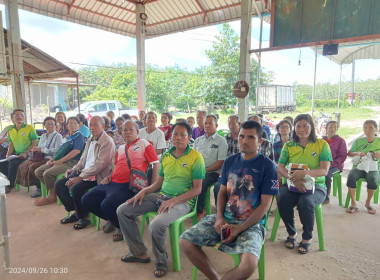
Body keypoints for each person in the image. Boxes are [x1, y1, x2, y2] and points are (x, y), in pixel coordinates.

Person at [180, 120, 279, 280]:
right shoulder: (230, 161)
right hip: (225, 219)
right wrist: (219, 216)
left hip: (252, 224)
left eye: (250, 137)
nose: (244, 141)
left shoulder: (268, 167)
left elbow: (265, 205)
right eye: (241, 136)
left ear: (260, 141)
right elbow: (222, 193)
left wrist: (240, 228)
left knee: (249, 265)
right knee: (185, 242)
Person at [116, 122, 204, 278]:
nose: (178, 138)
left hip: (183, 202)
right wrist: (144, 191)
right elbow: (159, 183)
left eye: (182, 135)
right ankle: (139, 252)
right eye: (175, 134)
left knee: (157, 223)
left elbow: (197, 189)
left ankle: (161, 261)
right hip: (161, 196)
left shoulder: (196, 157)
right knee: (123, 210)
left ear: (189, 138)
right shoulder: (166, 156)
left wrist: (174, 201)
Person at [82, 120, 160, 241]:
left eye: (131, 130)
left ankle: (119, 225)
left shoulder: (144, 143)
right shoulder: (121, 148)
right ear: (121, 132)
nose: (128, 132)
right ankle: (113, 220)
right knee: (87, 199)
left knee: (107, 204)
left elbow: (156, 164)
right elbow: (118, 165)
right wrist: (109, 176)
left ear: (137, 131)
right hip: (112, 182)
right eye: (125, 130)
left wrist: (152, 187)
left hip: (129, 184)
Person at [277, 114, 332, 254]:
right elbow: (280, 166)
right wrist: (292, 178)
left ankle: (307, 237)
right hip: (292, 183)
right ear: (294, 128)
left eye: (305, 126)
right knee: (282, 198)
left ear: (312, 127)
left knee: (305, 201)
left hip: (317, 186)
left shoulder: (322, 145)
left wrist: (305, 174)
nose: (302, 129)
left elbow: (324, 170)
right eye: (298, 126)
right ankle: (292, 232)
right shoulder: (289, 145)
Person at [55, 116, 116, 229]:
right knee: (59, 184)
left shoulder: (107, 142)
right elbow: (83, 160)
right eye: (90, 125)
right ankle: (78, 211)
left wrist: (80, 177)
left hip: (98, 175)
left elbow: (100, 165)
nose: (92, 128)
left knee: (76, 187)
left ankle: (83, 217)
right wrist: (74, 169)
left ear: (103, 126)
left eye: (95, 125)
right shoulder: (90, 139)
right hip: (86, 172)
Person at [34, 117, 86, 206]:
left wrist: (59, 161)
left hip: (73, 162)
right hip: (61, 160)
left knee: (48, 173)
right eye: (70, 123)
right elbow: (60, 150)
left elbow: (76, 151)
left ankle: (51, 196)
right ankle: (54, 191)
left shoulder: (79, 136)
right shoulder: (67, 137)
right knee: (38, 171)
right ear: (67, 125)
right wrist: (52, 159)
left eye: (74, 123)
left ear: (79, 125)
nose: (72, 125)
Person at [15, 116, 62, 198]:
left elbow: (57, 150)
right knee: (24, 165)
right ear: (44, 125)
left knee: (34, 167)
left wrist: (42, 150)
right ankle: (28, 183)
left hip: (50, 158)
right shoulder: (43, 136)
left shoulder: (58, 136)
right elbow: (39, 146)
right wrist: (35, 149)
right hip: (40, 157)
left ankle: (39, 188)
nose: (50, 126)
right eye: (47, 124)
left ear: (55, 126)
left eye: (52, 124)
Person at [194, 115, 228, 218]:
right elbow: (193, 158)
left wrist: (205, 170)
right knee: (184, 180)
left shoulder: (221, 141)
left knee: (201, 182)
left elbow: (221, 162)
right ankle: (190, 206)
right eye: (205, 123)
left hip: (214, 172)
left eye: (210, 123)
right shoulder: (198, 140)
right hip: (199, 170)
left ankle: (200, 210)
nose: (207, 126)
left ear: (216, 125)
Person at [346, 120, 380, 214]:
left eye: (370, 128)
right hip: (359, 167)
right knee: (351, 176)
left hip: (373, 168)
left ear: (376, 129)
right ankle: (353, 203)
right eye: (365, 128)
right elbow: (349, 153)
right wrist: (358, 153)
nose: (367, 130)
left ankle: (368, 203)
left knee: (373, 179)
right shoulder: (359, 141)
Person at [0, 109, 38, 193]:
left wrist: (26, 153)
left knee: (13, 163)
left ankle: (10, 185)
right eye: (16, 115)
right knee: (2, 163)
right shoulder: (10, 129)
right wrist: (8, 155)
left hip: (29, 154)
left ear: (24, 117)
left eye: (22, 115)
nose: (19, 117)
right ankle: (16, 177)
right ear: (13, 118)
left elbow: (35, 143)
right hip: (16, 154)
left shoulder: (29, 128)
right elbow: (11, 144)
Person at [322, 121, 347, 204]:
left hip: (336, 166)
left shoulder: (340, 141)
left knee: (326, 174)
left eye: (334, 127)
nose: (332, 129)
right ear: (326, 128)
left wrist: (331, 164)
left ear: (337, 129)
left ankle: (326, 197)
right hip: (322, 164)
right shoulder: (321, 141)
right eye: (330, 126)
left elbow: (342, 156)